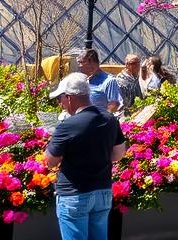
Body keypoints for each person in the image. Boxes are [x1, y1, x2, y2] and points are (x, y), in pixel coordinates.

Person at [44, 73, 127, 240]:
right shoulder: (109, 119)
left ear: (69, 97)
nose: (60, 103)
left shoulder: (67, 125)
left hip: (74, 194)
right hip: (102, 192)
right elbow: (118, 154)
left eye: (61, 98)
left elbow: (51, 162)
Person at [77, 50, 121, 114]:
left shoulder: (109, 81)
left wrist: (102, 120)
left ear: (92, 62)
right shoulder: (84, 80)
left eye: (81, 62)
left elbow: (114, 105)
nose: (79, 66)